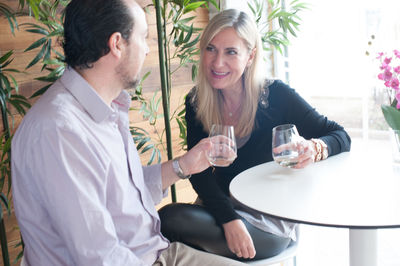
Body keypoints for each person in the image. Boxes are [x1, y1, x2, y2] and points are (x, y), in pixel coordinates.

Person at [11, 1, 248, 265]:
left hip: (155, 252)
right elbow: (99, 257)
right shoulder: (59, 131)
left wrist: (184, 165)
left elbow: (125, 194)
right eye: (143, 37)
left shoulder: (108, 107)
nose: (147, 49)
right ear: (117, 44)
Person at [159, 8, 351, 261]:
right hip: (219, 211)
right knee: (164, 222)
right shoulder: (197, 101)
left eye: (231, 52)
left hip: (266, 221)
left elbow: (340, 136)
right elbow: (200, 174)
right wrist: (230, 219)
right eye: (211, 49)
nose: (217, 63)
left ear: (250, 56)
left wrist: (313, 149)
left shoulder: (275, 96)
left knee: (169, 221)